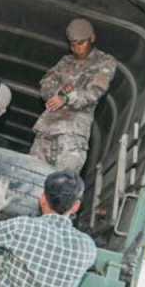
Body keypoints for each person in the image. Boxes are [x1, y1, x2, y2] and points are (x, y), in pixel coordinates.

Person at [31, 18, 117, 172]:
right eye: (72, 44)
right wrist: (58, 93)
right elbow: (45, 84)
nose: (76, 49)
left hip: (72, 135)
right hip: (46, 131)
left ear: (92, 38)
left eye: (81, 43)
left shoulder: (105, 62)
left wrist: (67, 98)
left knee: (62, 185)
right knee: (31, 178)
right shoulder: (65, 62)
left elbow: (94, 92)